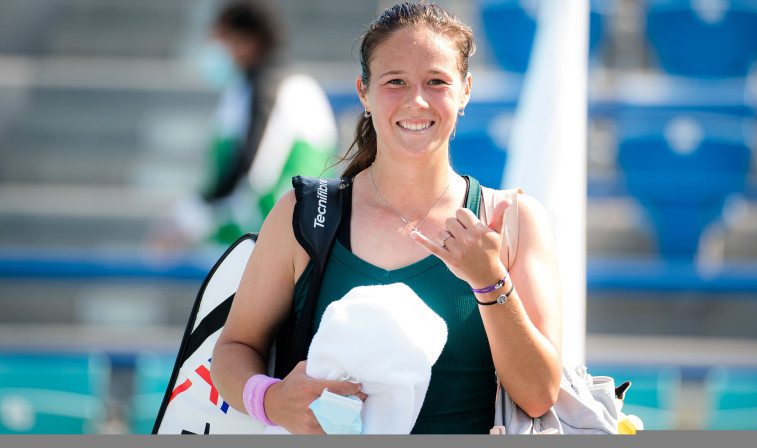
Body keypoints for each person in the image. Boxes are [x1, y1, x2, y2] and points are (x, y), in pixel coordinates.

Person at [210, 1, 562, 434]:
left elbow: (539, 394)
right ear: (365, 92)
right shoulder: (303, 214)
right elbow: (233, 349)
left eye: (437, 81)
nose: (416, 100)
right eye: (395, 81)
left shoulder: (513, 220)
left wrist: (490, 282)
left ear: (465, 91)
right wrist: (270, 400)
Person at [153, 0, 337, 248]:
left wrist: (188, 221)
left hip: (271, 245)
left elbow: (253, 172)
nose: (215, 50)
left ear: (248, 42)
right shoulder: (243, 90)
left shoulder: (285, 89)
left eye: (222, 41)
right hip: (250, 241)